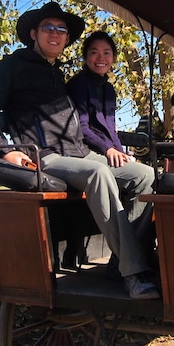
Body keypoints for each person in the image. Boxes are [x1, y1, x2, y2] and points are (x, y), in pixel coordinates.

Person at [0, 2, 159, 300]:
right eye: (49, 28)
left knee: (147, 176)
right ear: (33, 33)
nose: (56, 34)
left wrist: (116, 147)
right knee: (98, 172)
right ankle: (134, 274)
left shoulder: (56, 73)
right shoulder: (11, 67)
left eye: (61, 30)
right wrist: (5, 151)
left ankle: (122, 259)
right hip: (44, 155)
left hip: (79, 153)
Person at [66, 31, 157, 276]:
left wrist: (120, 151)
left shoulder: (108, 89)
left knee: (152, 175)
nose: (100, 58)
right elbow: (81, 127)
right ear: (86, 56)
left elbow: (110, 126)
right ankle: (128, 258)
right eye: (94, 52)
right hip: (83, 153)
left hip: (106, 152)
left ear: (114, 58)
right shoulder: (78, 85)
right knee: (146, 176)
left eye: (106, 53)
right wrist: (108, 149)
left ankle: (132, 252)